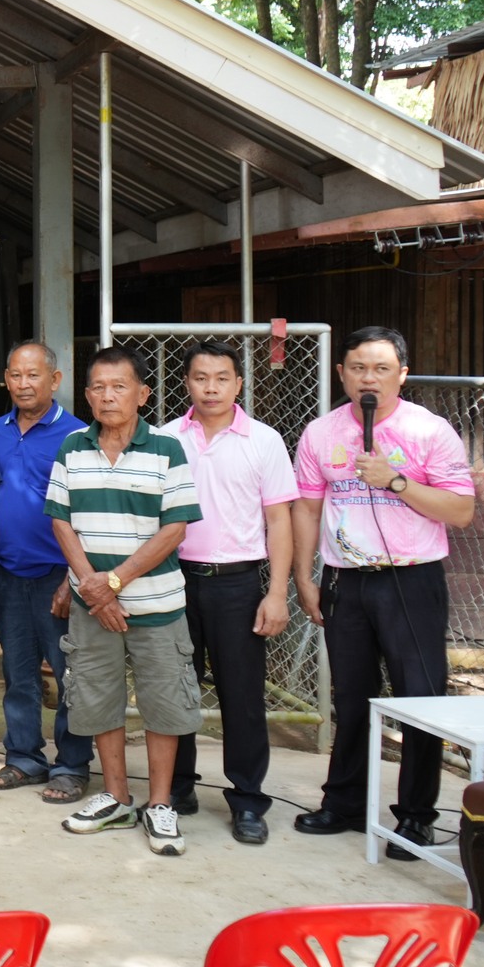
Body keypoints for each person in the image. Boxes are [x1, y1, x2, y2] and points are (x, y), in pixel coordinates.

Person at [289, 326, 475, 852]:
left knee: (421, 699)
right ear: (342, 373)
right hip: (345, 579)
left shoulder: (429, 431)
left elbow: (460, 511)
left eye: (381, 369)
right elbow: (307, 507)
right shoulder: (320, 433)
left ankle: (415, 816)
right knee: (352, 697)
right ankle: (344, 803)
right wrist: (304, 576)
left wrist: (395, 481)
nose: (368, 379)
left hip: (411, 581)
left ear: (402, 375)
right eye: (357, 369)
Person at [48, 347, 203, 857]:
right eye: (97, 387)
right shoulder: (72, 447)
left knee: (163, 704)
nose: (107, 396)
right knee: (97, 698)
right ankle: (116, 797)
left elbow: (174, 527)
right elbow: (61, 521)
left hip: (156, 604)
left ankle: (160, 805)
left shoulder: (167, 448)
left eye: (119, 386)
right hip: (93, 604)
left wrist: (111, 582)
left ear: (143, 393)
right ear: (86, 394)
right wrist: (94, 588)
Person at [162, 339, 296, 845]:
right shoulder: (166, 437)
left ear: (239, 384)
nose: (211, 387)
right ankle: (176, 789)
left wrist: (276, 592)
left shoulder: (263, 441)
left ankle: (247, 801)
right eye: (201, 377)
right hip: (175, 581)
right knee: (176, 690)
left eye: (222, 378)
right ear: (187, 383)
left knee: (242, 697)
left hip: (240, 583)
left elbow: (279, 520)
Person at [0, 340, 93, 805]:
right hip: (7, 571)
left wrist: (74, 576)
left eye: (33, 375)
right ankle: (24, 758)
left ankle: (70, 766)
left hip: (56, 575)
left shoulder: (79, 436)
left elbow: (86, 513)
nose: (23, 384)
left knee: (70, 675)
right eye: (15, 375)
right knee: (18, 672)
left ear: (55, 380)